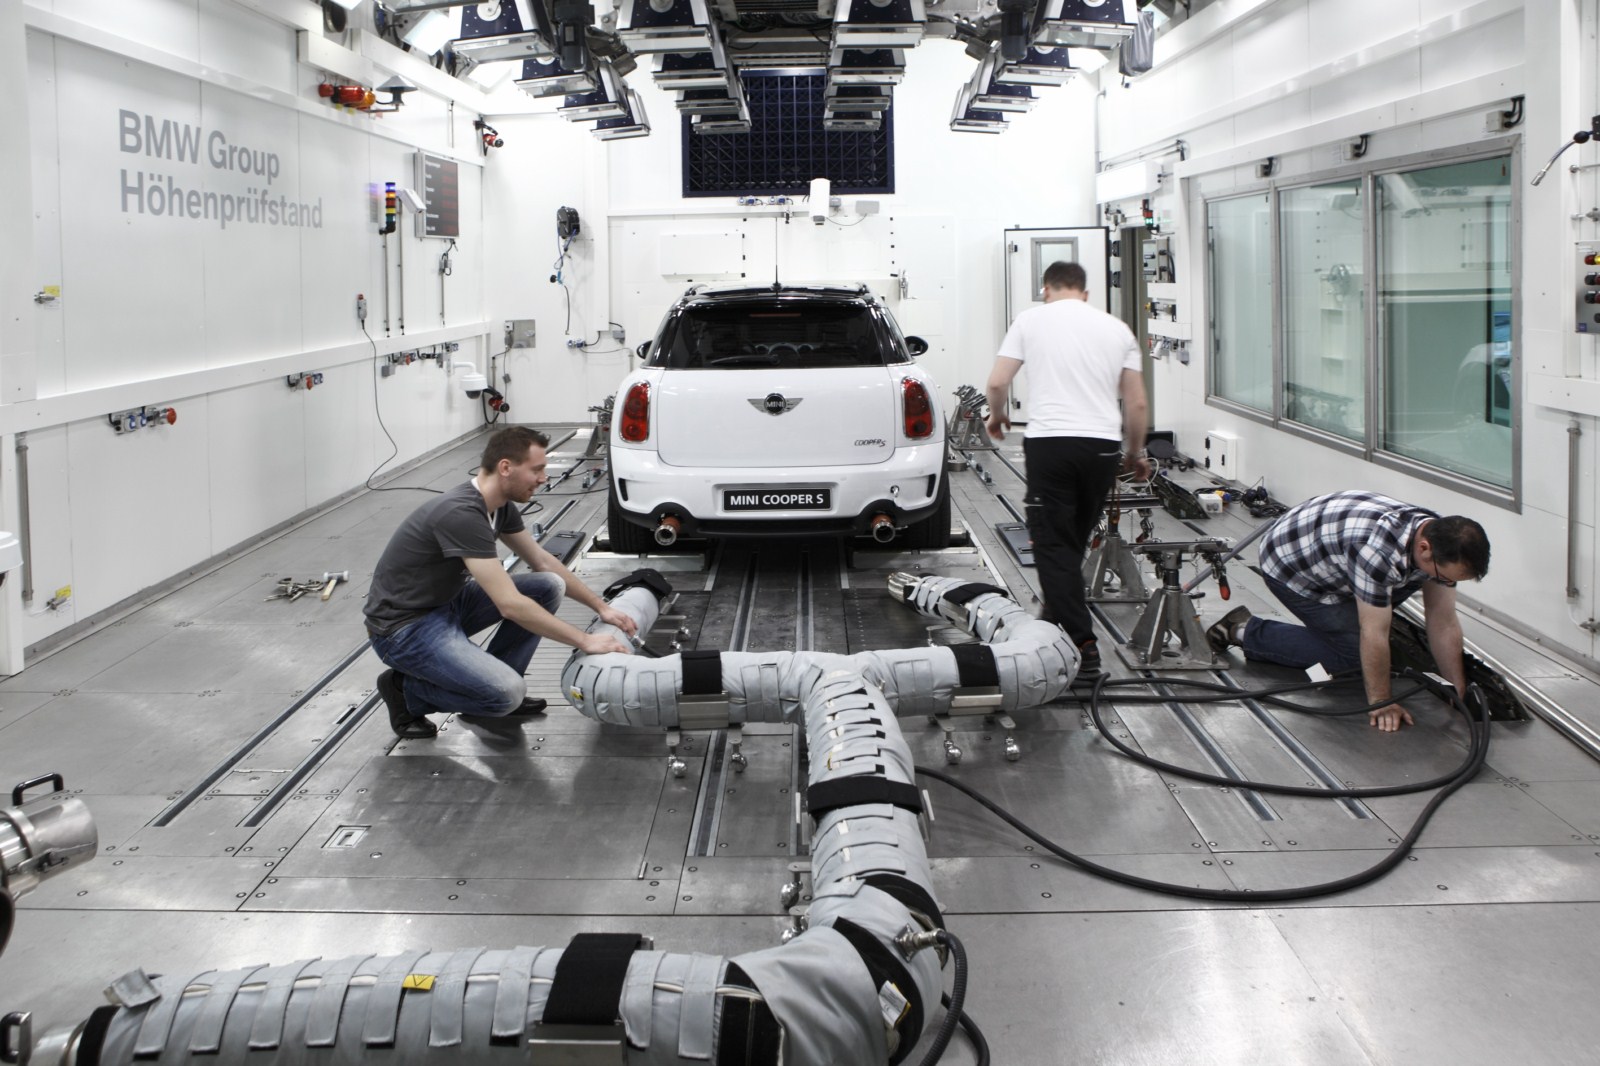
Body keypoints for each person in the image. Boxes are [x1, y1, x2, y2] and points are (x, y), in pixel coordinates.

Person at [364, 426, 636, 738]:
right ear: (506, 467)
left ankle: (490, 682)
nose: (543, 478)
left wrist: (601, 607)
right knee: (506, 695)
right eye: (537, 469)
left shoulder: (499, 506)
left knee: (548, 585)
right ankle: (405, 690)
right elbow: (509, 605)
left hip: (446, 604)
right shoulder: (462, 513)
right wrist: (585, 640)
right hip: (404, 628)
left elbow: (542, 561)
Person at [985, 260, 1150, 678]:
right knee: (1072, 542)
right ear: (1085, 292)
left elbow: (998, 383)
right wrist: (1135, 453)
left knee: (1053, 544)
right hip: (1102, 447)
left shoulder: (1030, 320)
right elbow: (1136, 403)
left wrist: (997, 415)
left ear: (1046, 289)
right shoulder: (1118, 329)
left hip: (1051, 444)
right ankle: (1052, 619)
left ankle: (1082, 644)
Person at [1205, 490, 1490, 732]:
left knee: (1376, 635)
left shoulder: (1437, 536)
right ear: (1425, 548)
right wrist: (1381, 702)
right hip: (1292, 567)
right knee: (1354, 657)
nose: (1444, 582)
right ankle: (1244, 630)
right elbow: (1373, 632)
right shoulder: (1377, 552)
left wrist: (1457, 690)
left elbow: (1443, 620)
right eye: (1443, 577)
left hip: (1336, 551)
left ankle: (1350, 620)